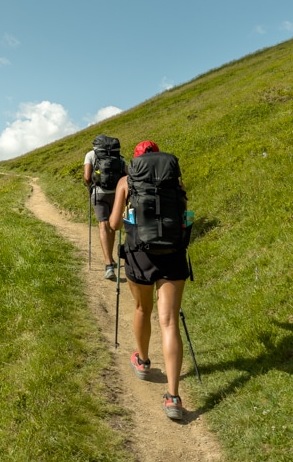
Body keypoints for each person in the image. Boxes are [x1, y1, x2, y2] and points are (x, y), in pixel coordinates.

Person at [109, 140, 189, 420]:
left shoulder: (126, 179)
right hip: (173, 255)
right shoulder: (174, 182)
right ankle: (173, 397)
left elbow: (115, 224)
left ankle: (142, 362)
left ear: (137, 160)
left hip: (140, 255)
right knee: (169, 321)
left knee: (143, 309)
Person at [83, 137, 126, 280]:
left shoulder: (90, 155)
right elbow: (126, 175)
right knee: (112, 226)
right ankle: (112, 259)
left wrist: (89, 187)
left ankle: (108, 265)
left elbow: (87, 177)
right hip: (116, 195)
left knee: (103, 224)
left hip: (98, 194)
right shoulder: (119, 157)